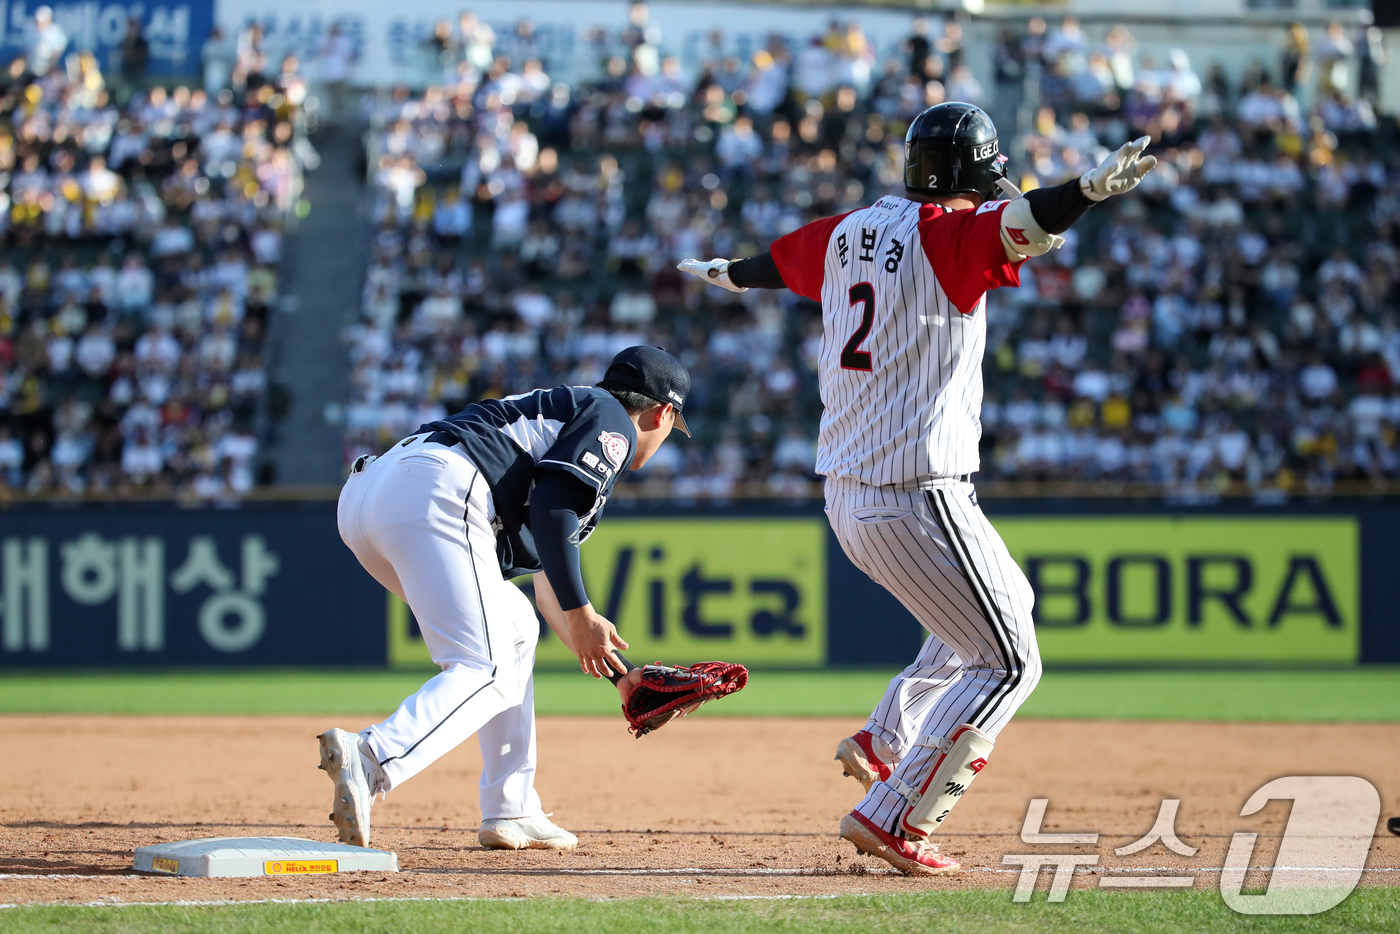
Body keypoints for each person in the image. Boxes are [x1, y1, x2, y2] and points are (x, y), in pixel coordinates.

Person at [678, 103, 1154, 874]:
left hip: (849, 495)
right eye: (984, 181)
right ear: (962, 179)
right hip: (919, 491)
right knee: (1008, 661)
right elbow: (1025, 222)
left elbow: (776, 262)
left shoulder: (843, 234)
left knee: (996, 616)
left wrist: (727, 275)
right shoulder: (944, 236)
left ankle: (885, 736)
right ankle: (895, 815)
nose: (990, 193)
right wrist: (1089, 191)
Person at [320, 346, 690, 851]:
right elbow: (552, 508)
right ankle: (372, 758)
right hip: (436, 486)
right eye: (673, 426)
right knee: (484, 665)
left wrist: (622, 676)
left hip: (373, 495)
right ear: (663, 412)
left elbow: (547, 588)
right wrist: (585, 615)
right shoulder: (611, 419)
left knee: (514, 626)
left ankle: (510, 808)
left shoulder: (563, 412)